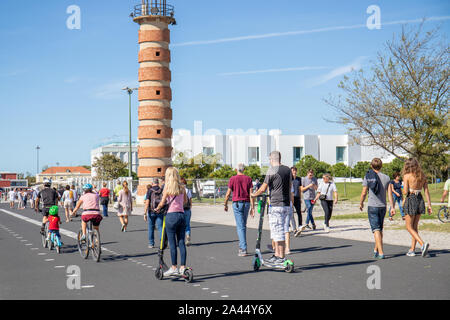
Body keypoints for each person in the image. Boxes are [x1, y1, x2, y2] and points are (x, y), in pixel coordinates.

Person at [251, 151, 293, 263]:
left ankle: (281, 257)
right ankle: (277, 254)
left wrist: (254, 195)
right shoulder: (288, 170)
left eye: (269, 159)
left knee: (278, 231)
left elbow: (263, 188)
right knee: (280, 230)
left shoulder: (272, 170)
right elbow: (290, 187)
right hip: (286, 204)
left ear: (272, 159)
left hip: (276, 204)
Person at [154, 167, 188, 277]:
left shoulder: (167, 188)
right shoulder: (182, 187)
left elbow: (162, 202)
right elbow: (185, 201)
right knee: (181, 242)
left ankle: (174, 267)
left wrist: (157, 208)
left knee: (172, 243)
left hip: (171, 216)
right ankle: (183, 267)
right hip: (181, 215)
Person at [359, 158, 394, 259]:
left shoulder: (368, 177)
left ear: (371, 166)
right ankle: (376, 249)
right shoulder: (387, 178)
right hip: (383, 206)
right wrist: (392, 206)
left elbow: (364, 192)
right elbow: (390, 194)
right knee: (379, 229)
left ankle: (381, 253)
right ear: (381, 166)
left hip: (372, 206)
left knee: (376, 230)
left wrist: (361, 203)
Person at [402, 158, 431, 257]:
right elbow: (426, 191)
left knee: (409, 227)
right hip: (420, 199)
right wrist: (429, 205)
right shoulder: (423, 176)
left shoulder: (407, 176)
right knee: (415, 226)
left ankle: (422, 244)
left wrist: (406, 188)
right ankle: (412, 249)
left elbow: (405, 192)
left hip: (411, 199)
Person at [224, 163, 255, 257]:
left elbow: (228, 193)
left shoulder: (233, 179)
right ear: (244, 170)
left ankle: (243, 248)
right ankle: (243, 245)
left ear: (236, 170)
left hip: (237, 203)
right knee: (243, 225)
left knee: (240, 226)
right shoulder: (248, 179)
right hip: (246, 203)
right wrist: (253, 207)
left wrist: (225, 204)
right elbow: (251, 194)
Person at [144, 179, 164, 248]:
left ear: (152, 183)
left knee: (151, 227)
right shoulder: (161, 190)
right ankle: (162, 242)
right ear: (158, 183)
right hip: (160, 211)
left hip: (151, 211)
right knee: (160, 227)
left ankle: (151, 243)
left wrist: (145, 212)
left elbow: (147, 202)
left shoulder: (150, 191)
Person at [291, 167, 306, 237]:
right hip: (290, 198)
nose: (294, 172)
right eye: (293, 171)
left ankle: (300, 226)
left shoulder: (299, 179)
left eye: (295, 171)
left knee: (299, 212)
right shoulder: (288, 179)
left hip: (297, 197)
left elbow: (300, 189)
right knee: (291, 213)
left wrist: (300, 198)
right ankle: (293, 228)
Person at [181, 177, 193, 246]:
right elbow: (190, 200)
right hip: (187, 209)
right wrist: (190, 206)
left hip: (181, 209)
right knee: (187, 224)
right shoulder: (188, 191)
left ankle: (181, 239)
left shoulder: (179, 190)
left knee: (181, 225)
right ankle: (188, 235)